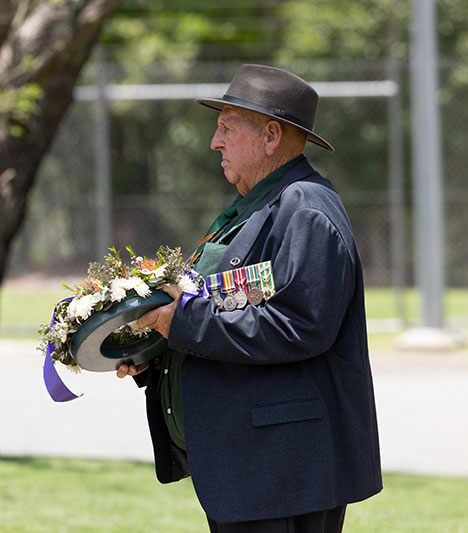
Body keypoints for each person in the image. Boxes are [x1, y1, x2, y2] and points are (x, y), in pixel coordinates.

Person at [117, 63, 382, 533]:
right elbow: (230, 308)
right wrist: (154, 349)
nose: (214, 142)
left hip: (283, 472)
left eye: (226, 128)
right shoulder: (259, 206)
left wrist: (180, 324)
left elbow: (300, 326)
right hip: (255, 469)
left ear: (271, 136)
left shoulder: (306, 208)